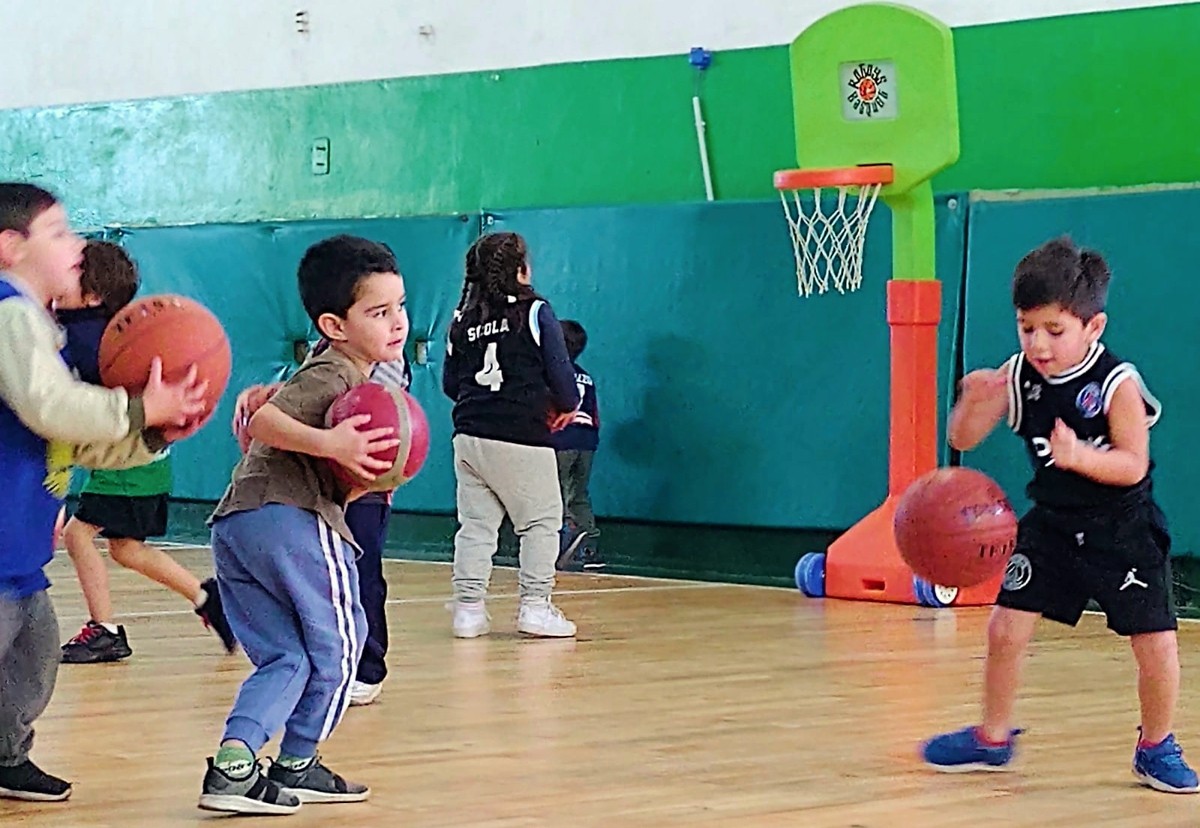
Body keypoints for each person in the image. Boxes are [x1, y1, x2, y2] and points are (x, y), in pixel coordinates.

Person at [921, 236, 1197, 794]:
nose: (1038, 344)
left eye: (1054, 330)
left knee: (1157, 644)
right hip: (1051, 524)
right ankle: (993, 738)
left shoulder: (1117, 383)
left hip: (1122, 528)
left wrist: (1081, 457)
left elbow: (1133, 465)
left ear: (1093, 328)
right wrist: (973, 401)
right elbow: (961, 438)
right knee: (1005, 628)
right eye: (1027, 328)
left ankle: (1156, 746)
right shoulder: (1018, 374)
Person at [0, 182, 207, 801]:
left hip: (19, 551)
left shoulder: (40, 326)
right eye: (59, 232)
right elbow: (53, 408)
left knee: (33, 660)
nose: (77, 244)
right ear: (10, 246)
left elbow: (77, 441)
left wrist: (152, 433)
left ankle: (7, 758)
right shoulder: (8, 311)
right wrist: (139, 406)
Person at [198, 234, 406, 815]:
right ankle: (298, 759)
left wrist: (363, 474)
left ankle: (234, 768)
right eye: (379, 311)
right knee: (344, 643)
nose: (397, 323)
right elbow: (263, 421)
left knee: (286, 659)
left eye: (402, 307)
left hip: (238, 525)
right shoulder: (336, 371)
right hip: (290, 520)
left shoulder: (335, 372)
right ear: (334, 325)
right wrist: (331, 441)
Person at [56, 240, 235, 663]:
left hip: (129, 462)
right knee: (125, 548)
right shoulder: (106, 330)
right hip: (143, 459)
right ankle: (205, 596)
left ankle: (105, 630)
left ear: (93, 295)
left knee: (78, 535)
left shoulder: (91, 339)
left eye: (73, 271)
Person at [231, 338, 412, 707]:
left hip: (361, 483)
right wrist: (269, 396)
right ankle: (317, 662)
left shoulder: (381, 359)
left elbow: (386, 417)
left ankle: (367, 668)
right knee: (319, 576)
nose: (395, 322)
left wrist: (383, 475)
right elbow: (316, 406)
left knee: (362, 575)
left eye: (400, 308)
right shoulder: (322, 356)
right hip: (319, 483)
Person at [442, 231, 580, 639]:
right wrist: (565, 406)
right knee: (540, 522)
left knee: (476, 526)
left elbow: (451, 383)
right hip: (520, 433)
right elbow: (561, 373)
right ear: (521, 269)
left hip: (469, 434)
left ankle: (468, 609)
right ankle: (535, 606)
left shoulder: (462, 318)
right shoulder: (534, 311)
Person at [552, 319, 605, 572]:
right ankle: (588, 548)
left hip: (562, 439)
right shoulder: (586, 376)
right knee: (579, 494)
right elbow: (595, 415)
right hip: (587, 442)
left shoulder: (554, 373)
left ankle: (560, 545)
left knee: (554, 493)